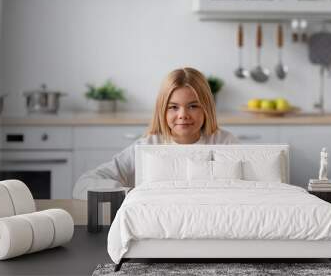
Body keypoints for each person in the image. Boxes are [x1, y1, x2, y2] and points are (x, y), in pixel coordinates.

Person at [72, 67, 239, 200]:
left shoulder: (225, 143)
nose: (182, 115)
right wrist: (133, 194)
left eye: (193, 106)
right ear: (162, 111)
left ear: (207, 108)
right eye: (173, 107)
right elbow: (83, 185)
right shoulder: (147, 147)